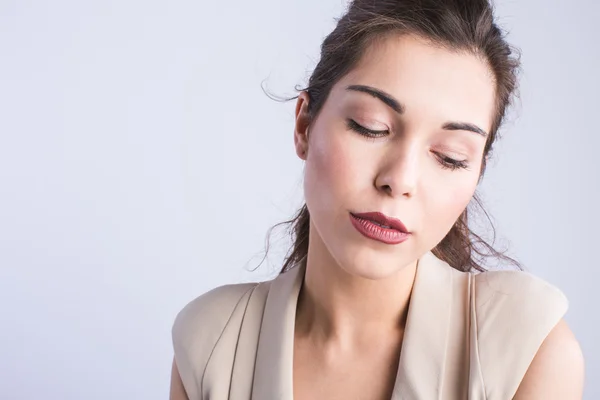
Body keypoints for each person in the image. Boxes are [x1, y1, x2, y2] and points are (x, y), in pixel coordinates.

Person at [169, 0, 585, 398]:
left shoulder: (525, 347)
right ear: (304, 125)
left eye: (450, 157)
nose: (400, 180)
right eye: (371, 127)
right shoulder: (213, 344)